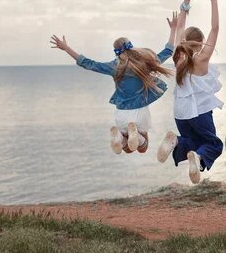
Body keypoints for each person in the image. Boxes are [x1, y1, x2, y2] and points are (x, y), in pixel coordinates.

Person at [49, 16, 176, 154]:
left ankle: (119, 138)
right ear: (131, 46)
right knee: (142, 147)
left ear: (116, 52)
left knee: (127, 149)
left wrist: (66, 48)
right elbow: (168, 51)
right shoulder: (145, 62)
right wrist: (173, 30)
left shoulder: (114, 67)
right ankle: (134, 136)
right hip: (139, 113)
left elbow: (88, 63)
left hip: (121, 115)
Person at [157, 0, 223, 184]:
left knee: (192, 142)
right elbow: (215, 28)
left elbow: (179, 30)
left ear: (185, 41)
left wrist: (186, 3)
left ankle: (177, 141)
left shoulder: (178, 57)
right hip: (200, 113)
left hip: (180, 114)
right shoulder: (202, 60)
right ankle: (200, 158)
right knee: (214, 144)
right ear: (201, 42)